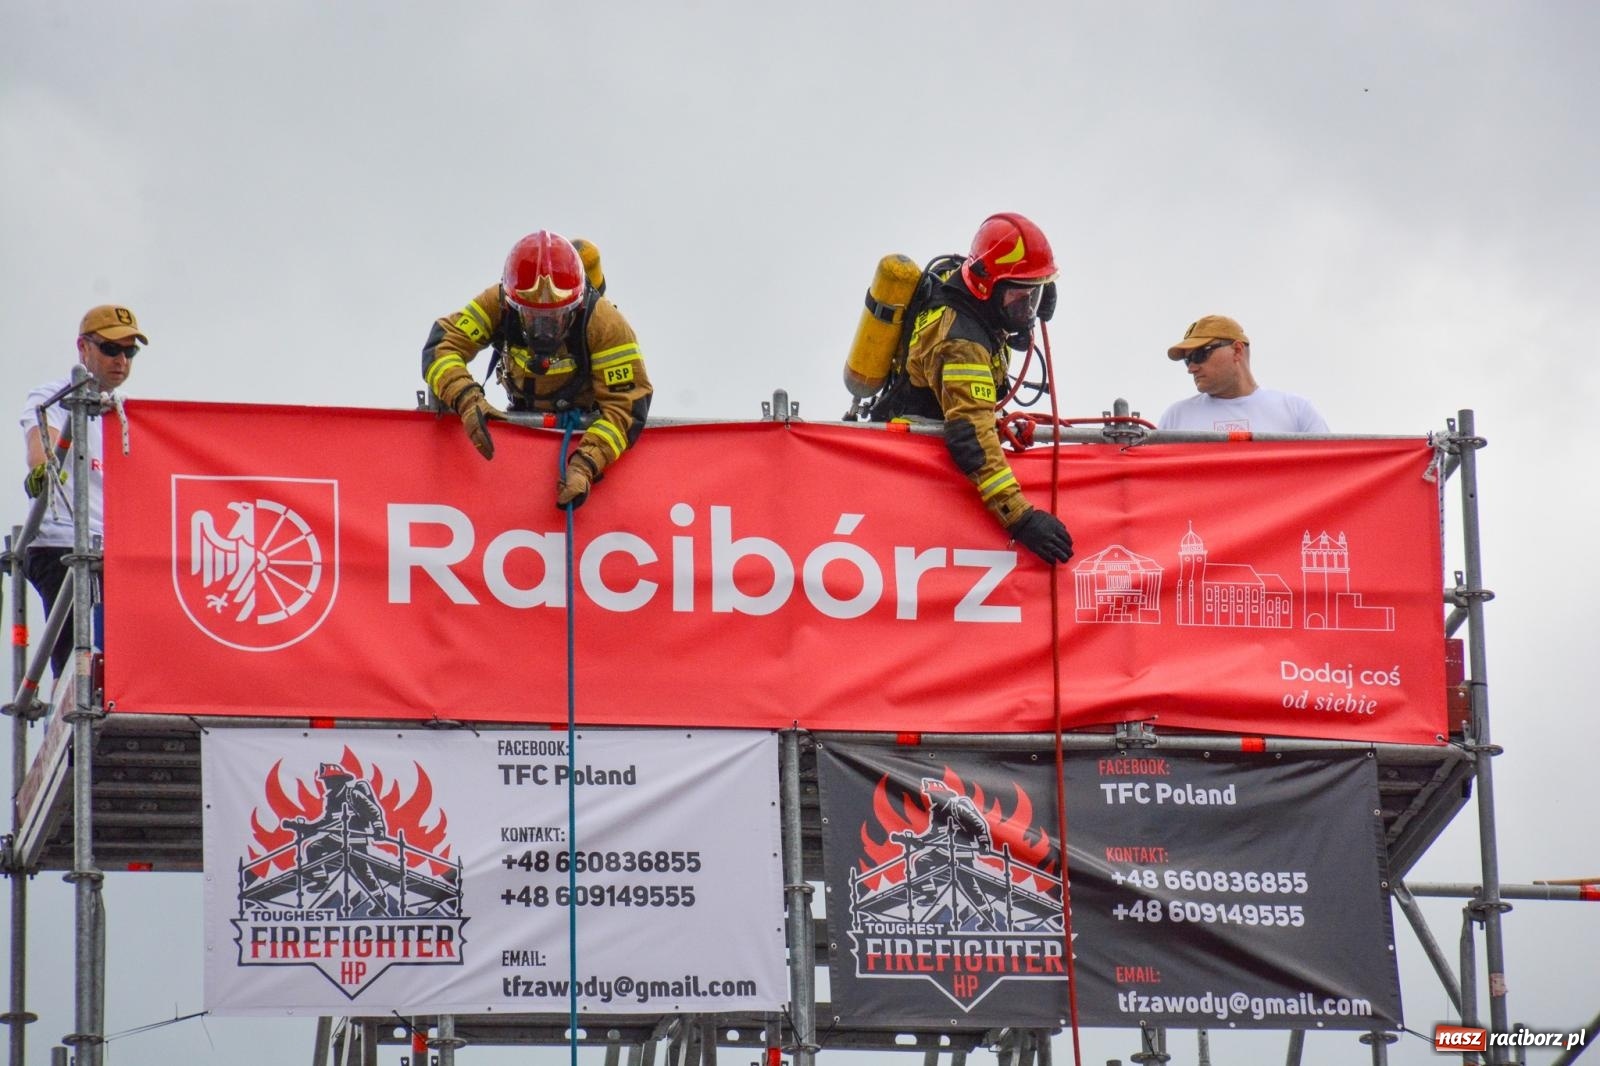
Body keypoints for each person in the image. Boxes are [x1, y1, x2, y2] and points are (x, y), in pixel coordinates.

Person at [871, 213, 1073, 564]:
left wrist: (1025, 305)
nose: (1027, 308)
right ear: (985, 287)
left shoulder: (971, 292)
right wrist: (1021, 518)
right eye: (1019, 296)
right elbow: (971, 437)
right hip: (919, 471)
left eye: (1035, 295)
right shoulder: (961, 343)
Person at [421, 230, 653, 508]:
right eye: (531, 315)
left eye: (557, 315)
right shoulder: (497, 303)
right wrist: (467, 399)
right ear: (511, 302)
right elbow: (442, 346)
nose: (544, 328)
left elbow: (627, 405)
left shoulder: (605, 324)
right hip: (521, 421)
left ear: (578, 305)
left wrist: (587, 462)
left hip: (584, 427)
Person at [19, 304, 145, 677]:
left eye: (130, 351)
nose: (121, 360)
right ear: (83, 347)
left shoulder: (126, 413)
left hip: (112, 548)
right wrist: (44, 468)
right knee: (78, 661)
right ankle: (72, 703)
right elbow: (41, 443)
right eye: (110, 348)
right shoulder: (53, 396)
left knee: (124, 660)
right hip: (63, 543)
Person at [1159, 315, 1329, 433]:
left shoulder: (1297, 411)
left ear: (1237, 351)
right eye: (1187, 360)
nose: (1191, 368)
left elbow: (1330, 469)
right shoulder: (1175, 418)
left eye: (1199, 355)